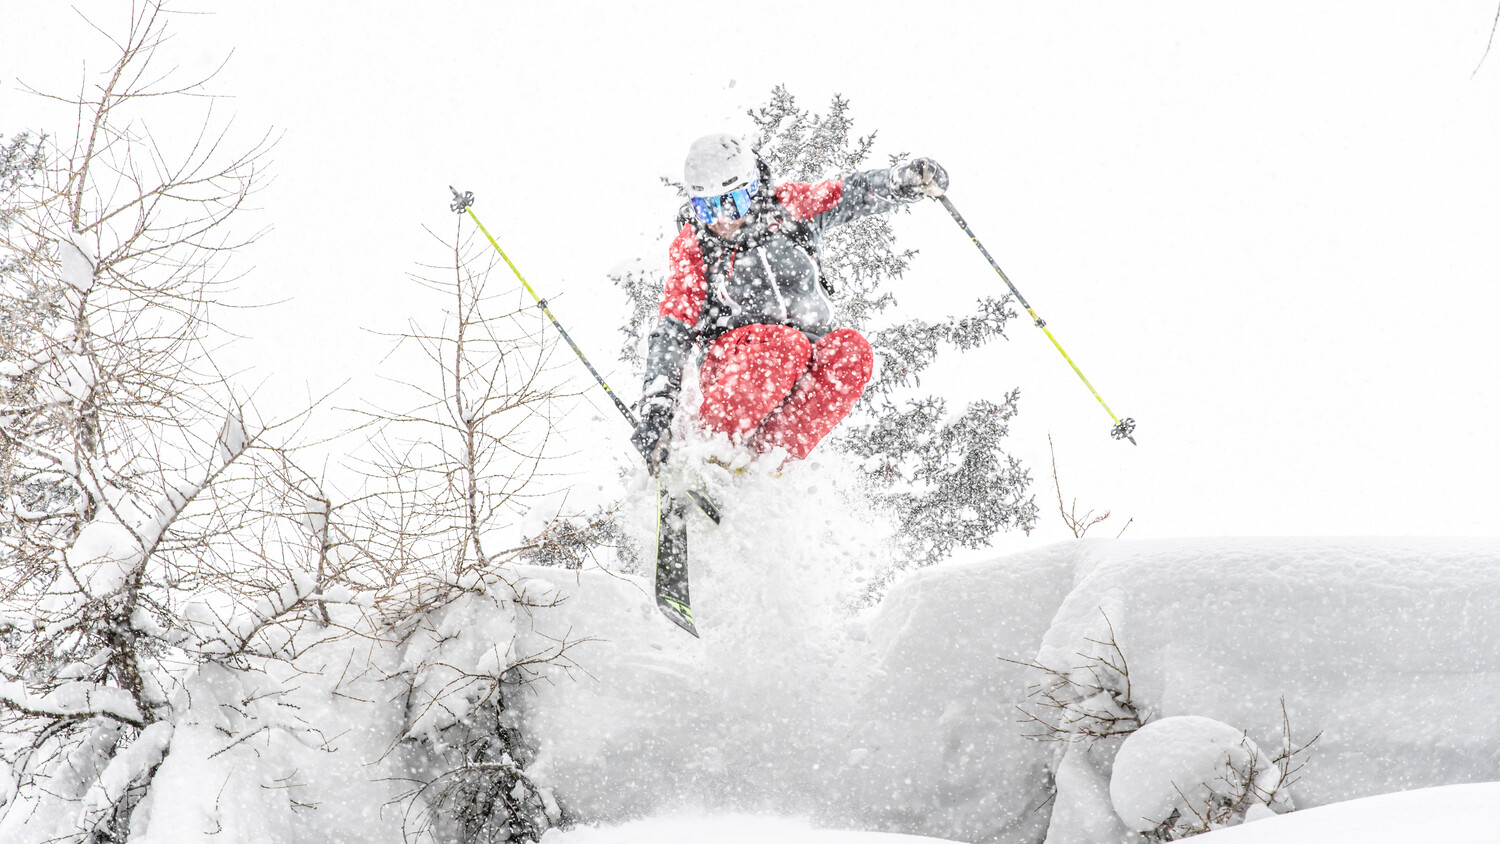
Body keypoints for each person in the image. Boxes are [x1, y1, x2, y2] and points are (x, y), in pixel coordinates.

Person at [630, 133, 949, 472]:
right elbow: (673, 329)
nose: (721, 220)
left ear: (752, 189)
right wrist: (657, 408)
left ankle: (762, 466)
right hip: (736, 362)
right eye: (706, 208)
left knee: (851, 352)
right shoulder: (697, 247)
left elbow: (849, 193)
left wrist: (902, 183)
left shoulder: (791, 209)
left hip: (803, 358)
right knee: (785, 345)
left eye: (730, 204)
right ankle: (710, 451)